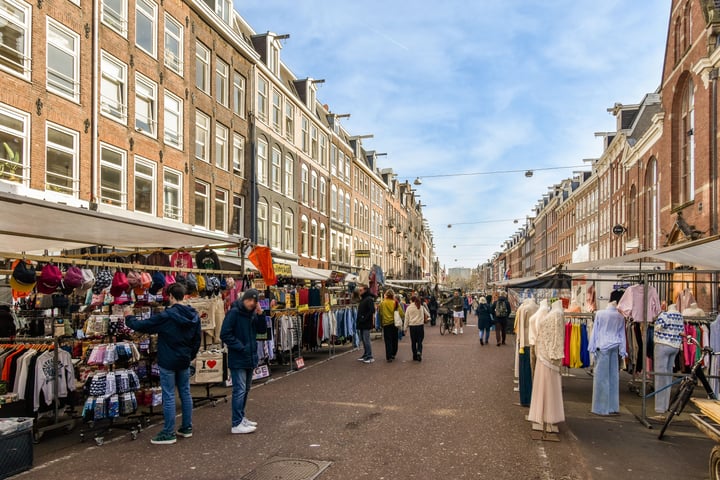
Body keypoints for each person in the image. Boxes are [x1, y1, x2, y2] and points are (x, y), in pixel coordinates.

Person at [124, 283, 201, 445]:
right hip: (184, 359)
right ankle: (186, 427)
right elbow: (197, 339)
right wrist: (190, 355)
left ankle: (168, 432)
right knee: (185, 392)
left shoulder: (167, 316)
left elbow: (143, 326)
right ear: (184, 296)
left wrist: (129, 317)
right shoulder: (194, 315)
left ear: (171, 296)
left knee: (169, 395)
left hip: (168, 359)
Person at [220, 289, 267, 434]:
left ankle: (241, 417)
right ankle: (236, 423)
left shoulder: (252, 313)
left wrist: (260, 314)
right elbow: (224, 334)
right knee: (239, 390)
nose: (252, 303)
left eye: (254, 301)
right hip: (239, 356)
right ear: (244, 299)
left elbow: (262, 330)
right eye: (250, 300)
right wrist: (241, 347)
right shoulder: (234, 312)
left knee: (245, 389)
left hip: (249, 356)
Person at [379, 289, 403, 362]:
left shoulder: (382, 303)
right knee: (394, 339)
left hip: (386, 324)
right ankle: (393, 354)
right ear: (393, 295)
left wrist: (381, 323)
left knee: (388, 340)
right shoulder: (395, 302)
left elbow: (381, 314)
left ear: (386, 295)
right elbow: (401, 313)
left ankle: (389, 356)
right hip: (394, 324)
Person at [404, 295, 430, 361]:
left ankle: (414, 356)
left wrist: (405, 328)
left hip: (412, 327)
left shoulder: (409, 308)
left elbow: (406, 319)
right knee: (419, 341)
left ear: (411, 300)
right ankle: (419, 351)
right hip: (420, 326)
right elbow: (428, 314)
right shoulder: (421, 307)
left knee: (413, 342)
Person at [356, 284, 376, 364]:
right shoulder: (363, 299)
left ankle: (370, 356)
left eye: (360, 290)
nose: (359, 292)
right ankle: (365, 354)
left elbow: (372, 310)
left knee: (366, 339)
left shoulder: (369, 299)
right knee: (363, 340)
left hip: (366, 323)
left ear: (365, 290)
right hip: (362, 323)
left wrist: (364, 318)